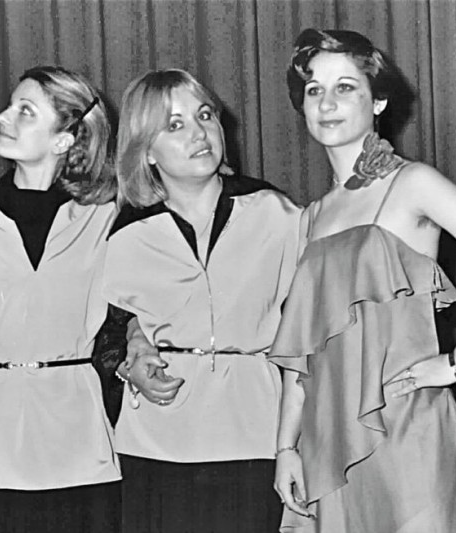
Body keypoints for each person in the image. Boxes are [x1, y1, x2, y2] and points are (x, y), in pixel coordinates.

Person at [271, 29, 456, 532]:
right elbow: (301, 354)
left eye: (345, 87)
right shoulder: (312, 217)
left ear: (378, 101)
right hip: (328, 440)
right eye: (314, 90)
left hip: (408, 427)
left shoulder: (412, 183)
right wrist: (286, 446)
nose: (327, 103)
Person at [95, 69, 302, 533]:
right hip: (154, 443)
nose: (198, 133)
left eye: (205, 115)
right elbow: (102, 333)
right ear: (147, 150)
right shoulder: (123, 232)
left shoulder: (276, 212)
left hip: (254, 435)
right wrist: (129, 364)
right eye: (175, 125)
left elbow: (311, 320)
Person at [0, 66, 121, 532]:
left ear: (64, 139)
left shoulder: (109, 215)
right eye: (9, 106)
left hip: (80, 441)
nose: (2, 116)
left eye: (25, 111)